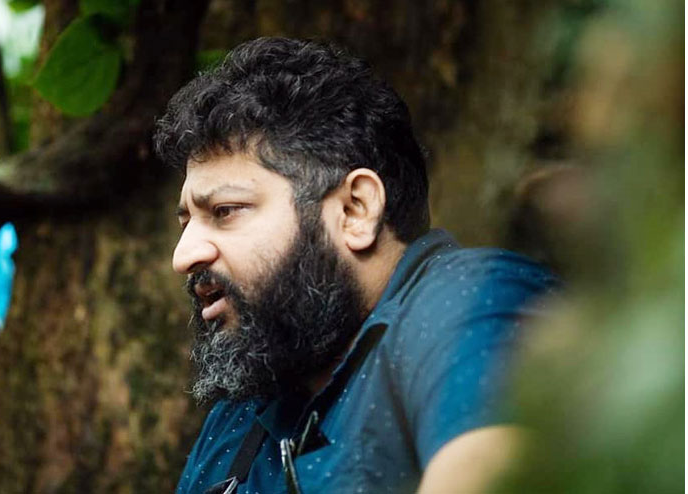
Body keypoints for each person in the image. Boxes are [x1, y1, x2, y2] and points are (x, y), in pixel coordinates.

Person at [154, 37, 558, 494]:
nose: (183, 256)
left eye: (225, 211)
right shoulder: (237, 419)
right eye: (186, 223)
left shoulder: (467, 303)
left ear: (355, 210)